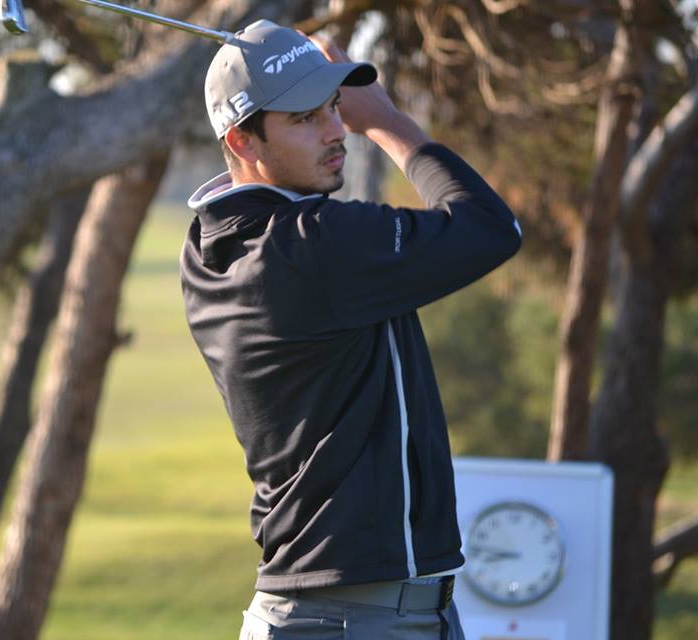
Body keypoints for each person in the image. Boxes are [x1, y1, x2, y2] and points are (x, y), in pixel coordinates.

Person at [179, 19, 522, 640]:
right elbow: (491, 229)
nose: (338, 131)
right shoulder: (314, 247)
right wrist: (384, 118)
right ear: (242, 139)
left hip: (353, 612)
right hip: (353, 621)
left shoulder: (210, 246)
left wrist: (301, 77)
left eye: (334, 107)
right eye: (304, 119)